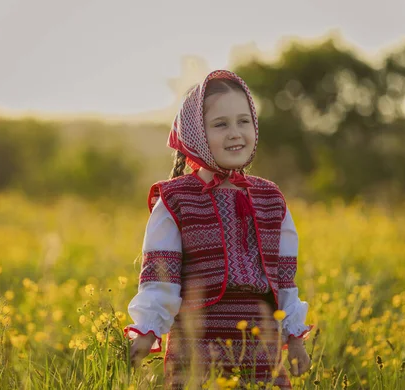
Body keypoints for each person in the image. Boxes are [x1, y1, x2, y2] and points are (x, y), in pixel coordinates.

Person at [124, 69, 314, 389]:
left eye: (244, 121)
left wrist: (295, 340)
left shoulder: (270, 197)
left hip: (261, 346)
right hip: (198, 344)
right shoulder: (175, 199)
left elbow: (284, 279)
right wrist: (147, 330)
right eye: (220, 124)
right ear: (197, 134)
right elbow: (161, 275)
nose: (235, 133)